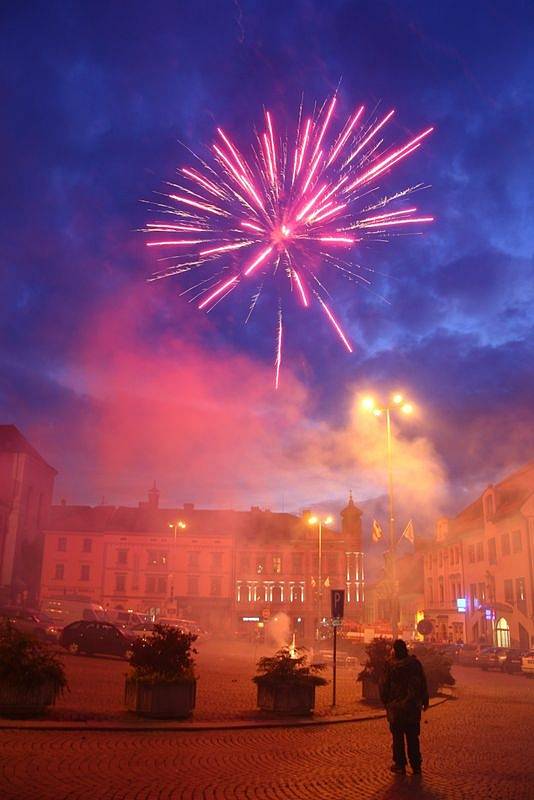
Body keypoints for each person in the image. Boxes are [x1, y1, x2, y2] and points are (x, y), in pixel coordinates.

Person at [379, 639, 429, 776]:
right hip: (412, 708)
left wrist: (385, 702)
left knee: (397, 738)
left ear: (395, 650)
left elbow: (384, 685)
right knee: (413, 737)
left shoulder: (390, 665)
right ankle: (416, 765)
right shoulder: (415, 664)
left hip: (396, 709)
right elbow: (422, 682)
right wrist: (425, 700)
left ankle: (400, 764)